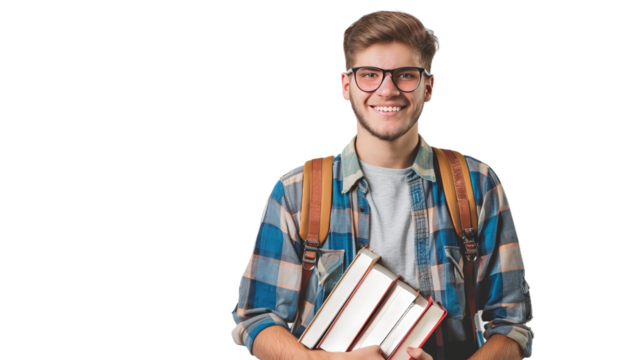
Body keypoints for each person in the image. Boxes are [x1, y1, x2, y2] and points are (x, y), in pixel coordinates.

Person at [231, 8, 534, 360]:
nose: (387, 90)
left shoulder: (477, 184)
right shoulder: (296, 193)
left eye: (405, 75)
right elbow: (258, 319)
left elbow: (511, 326)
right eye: (370, 75)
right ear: (346, 86)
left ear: (428, 87)